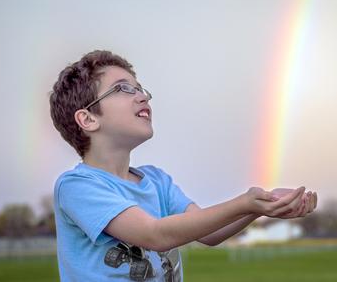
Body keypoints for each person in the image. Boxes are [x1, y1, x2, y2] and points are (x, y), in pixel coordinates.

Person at [49, 50, 317, 281]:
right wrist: (245, 203)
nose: (143, 97)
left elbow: (210, 233)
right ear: (87, 119)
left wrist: (264, 204)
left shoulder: (157, 181)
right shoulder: (76, 187)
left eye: (140, 88)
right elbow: (154, 235)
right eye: (122, 88)